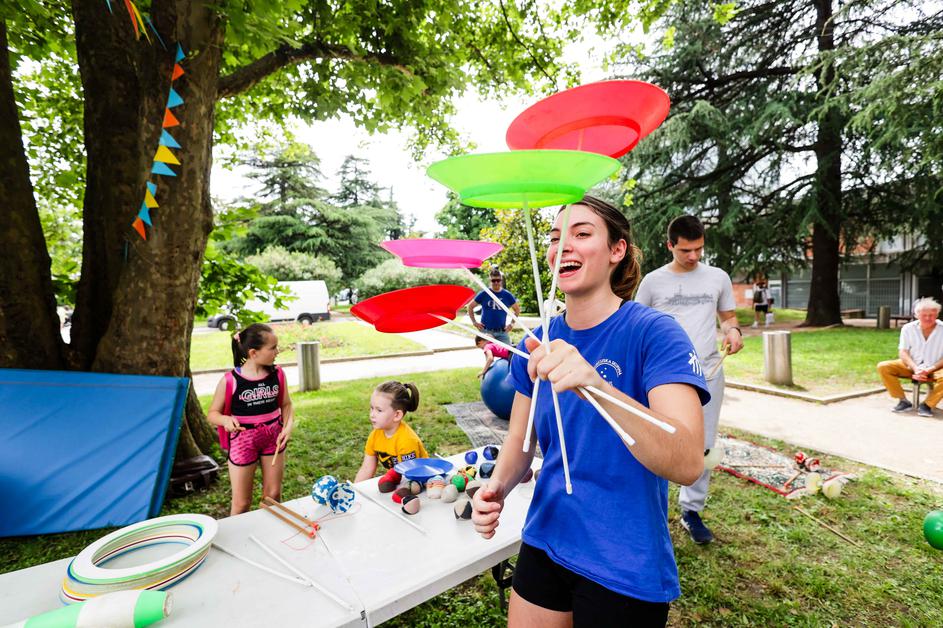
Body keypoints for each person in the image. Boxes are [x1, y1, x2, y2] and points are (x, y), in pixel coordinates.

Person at [471, 195, 709, 627]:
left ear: (616, 251)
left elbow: (688, 459)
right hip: (545, 540)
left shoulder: (654, 333)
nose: (564, 247)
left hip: (624, 560)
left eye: (582, 234)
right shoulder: (535, 341)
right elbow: (520, 443)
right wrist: (497, 488)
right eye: (556, 237)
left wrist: (597, 387)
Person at [635, 215, 744, 545]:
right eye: (685, 250)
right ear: (670, 246)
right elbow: (637, 324)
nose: (694, 256)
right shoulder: (653, 282)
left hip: (709, 372)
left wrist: (734, 331)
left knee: (703, 444)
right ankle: (647, 509)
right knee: (654, 438)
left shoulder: (718, 277)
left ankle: (691, 510)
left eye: (698, 249)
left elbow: (728, 316)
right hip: (662, 376)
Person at [207, 323, 294, 516]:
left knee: (273, 495)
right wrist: (225, 420)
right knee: (242, 503)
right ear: (253, 353)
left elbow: (286, 404)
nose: (277, 351)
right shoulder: (230, 380)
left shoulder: (277, 374)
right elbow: (212, 413)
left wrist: (287, 427)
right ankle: (238, 544)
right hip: (243, 442)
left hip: (273, 438)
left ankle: (270, 534)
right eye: (272, 348)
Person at [877, 297, 943, 417]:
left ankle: (927, 405)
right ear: (916, 314)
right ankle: (903, 401)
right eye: (924, 315)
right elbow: (903, 352)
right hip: (912, 364)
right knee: (883, 366)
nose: (928, 318)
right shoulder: (908, 328)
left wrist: (930, 369)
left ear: (937, 314)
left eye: (932, 315)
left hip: (937, 367)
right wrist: (915, 368)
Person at [354, 381, 429, 481]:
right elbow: (367, 468)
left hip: (421, 482)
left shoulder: (407, 441)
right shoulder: (375, 435)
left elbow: (409, 478)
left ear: (397, 415)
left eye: (379, 410)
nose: (372, 414)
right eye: (371, 408)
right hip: (397, 480)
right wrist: (356, 490)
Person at [468, 268, 520, 346]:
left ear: (501, 280)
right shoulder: (484, 293)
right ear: (490, 281)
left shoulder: (507, 295)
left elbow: (517, 310)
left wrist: (512, 324)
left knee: (508, 354)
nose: (496, 282)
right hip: (486, 332)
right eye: (493, 280)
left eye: (498, 280)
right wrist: (474, 322)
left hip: (502, 332)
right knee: (489, 355)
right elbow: (470, 306)